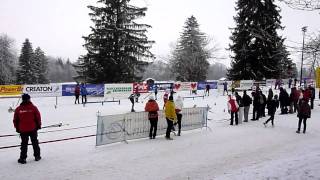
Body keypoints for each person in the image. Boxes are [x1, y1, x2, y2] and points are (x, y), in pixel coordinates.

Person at [13, 94, 41, 164]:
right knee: (35, 143)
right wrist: (38, 126)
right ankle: (37, 156)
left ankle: (23, 158)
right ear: (29, 99)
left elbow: (15, 120)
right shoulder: (33, 108)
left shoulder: (18, 109)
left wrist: (17, 128)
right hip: (33, 128)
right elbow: (38, 118)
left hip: (23, 130)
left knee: (24, 144)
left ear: (22, 100)